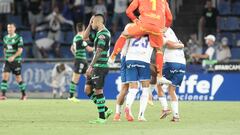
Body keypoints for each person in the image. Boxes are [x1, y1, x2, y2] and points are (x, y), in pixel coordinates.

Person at [109, 0, 173, 84]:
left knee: (124, 34)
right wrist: (166, 28)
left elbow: (128, 11)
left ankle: (112, 57)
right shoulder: (164, 1)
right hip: (157, 28)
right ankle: (160, 76)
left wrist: (135, 20)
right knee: (159, 50)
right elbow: (170, 18)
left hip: (144, 25)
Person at [83, 14, 113, 124]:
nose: (91, 24)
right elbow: (84, 37)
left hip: (100, 66)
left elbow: (99, 51)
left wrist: (90, 66)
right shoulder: (98, 34)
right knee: (87, 90)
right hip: (96, 66)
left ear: (98, 22)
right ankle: (106, 110)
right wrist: (89, 25)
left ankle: (101, 118)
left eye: (92, 22)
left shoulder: (103, 35)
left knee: (98, 90)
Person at [157, 28, 186, 122]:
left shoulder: (161, 29)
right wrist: (181, 45)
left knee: (158, 83)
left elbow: (169, 44)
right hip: (182, 64)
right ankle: (176, 116)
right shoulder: (171, 31)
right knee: (172, 90)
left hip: (171, 62)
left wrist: (179, 45)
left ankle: (165, 108)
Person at [123, 36, 154, 122]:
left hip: (130, 59)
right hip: (143, 59)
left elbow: (124, 43)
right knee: (145, 89)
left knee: (133, 88)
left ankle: (128, 106)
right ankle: (141, 115)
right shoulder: (152, 32)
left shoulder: (133, 30)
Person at [0, 23, 27, 100]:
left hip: (16, 61)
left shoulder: (19, 38)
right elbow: (5, 49)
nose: (9, 29)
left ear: (14, 28)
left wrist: (13, 57)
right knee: (5, 77)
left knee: (18, 78)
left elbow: (20, 50)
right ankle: (3, 95)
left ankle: (24, 95)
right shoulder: (5, 38)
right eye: (8, 28)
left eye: (11, 28)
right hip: (7, 62)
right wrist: (6, 58)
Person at [68, 23, 93, 102]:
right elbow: (89, 49)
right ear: (84, 28)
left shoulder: (76, 37)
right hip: (80, 61)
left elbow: (71, 48)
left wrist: (76, 54)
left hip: (82, 60)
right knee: (76, 78)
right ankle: (71, 97)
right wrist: (99, 47)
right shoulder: (79, 38)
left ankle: (93, 95)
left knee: (89, 76)